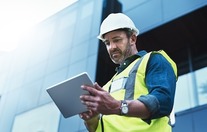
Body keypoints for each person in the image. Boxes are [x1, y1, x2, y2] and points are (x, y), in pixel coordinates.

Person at [79, 13, 177, 132]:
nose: (111, 47)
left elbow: (163, 101)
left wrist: (118, 107)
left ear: (132, 39)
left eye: (117, 40)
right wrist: (91, 119)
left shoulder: (152, 60)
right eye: (107, 43)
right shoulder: (106, 87)